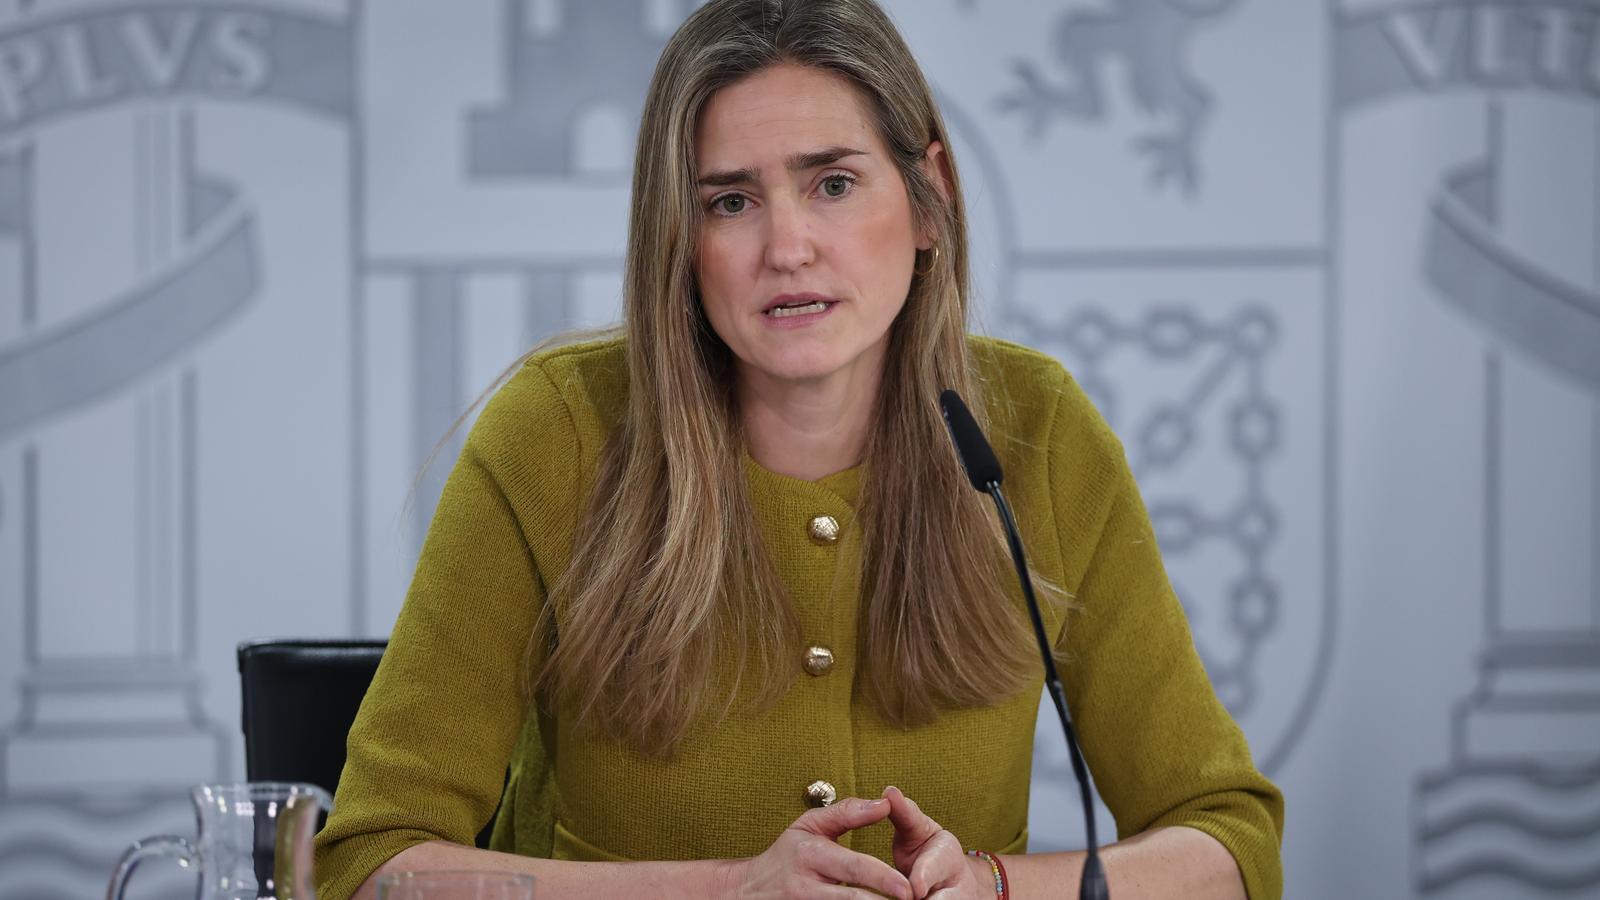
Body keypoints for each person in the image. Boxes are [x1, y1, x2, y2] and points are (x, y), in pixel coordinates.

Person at [313, 1, 1285, 897]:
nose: (787, 247)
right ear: (677, 236)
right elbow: (372, 862)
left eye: (833, 184)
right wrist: (730, 891)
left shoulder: (1037, 429)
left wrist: (994, 887)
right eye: (730, 202)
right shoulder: (557, 431)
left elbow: (1228, 840)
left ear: (931, 198)